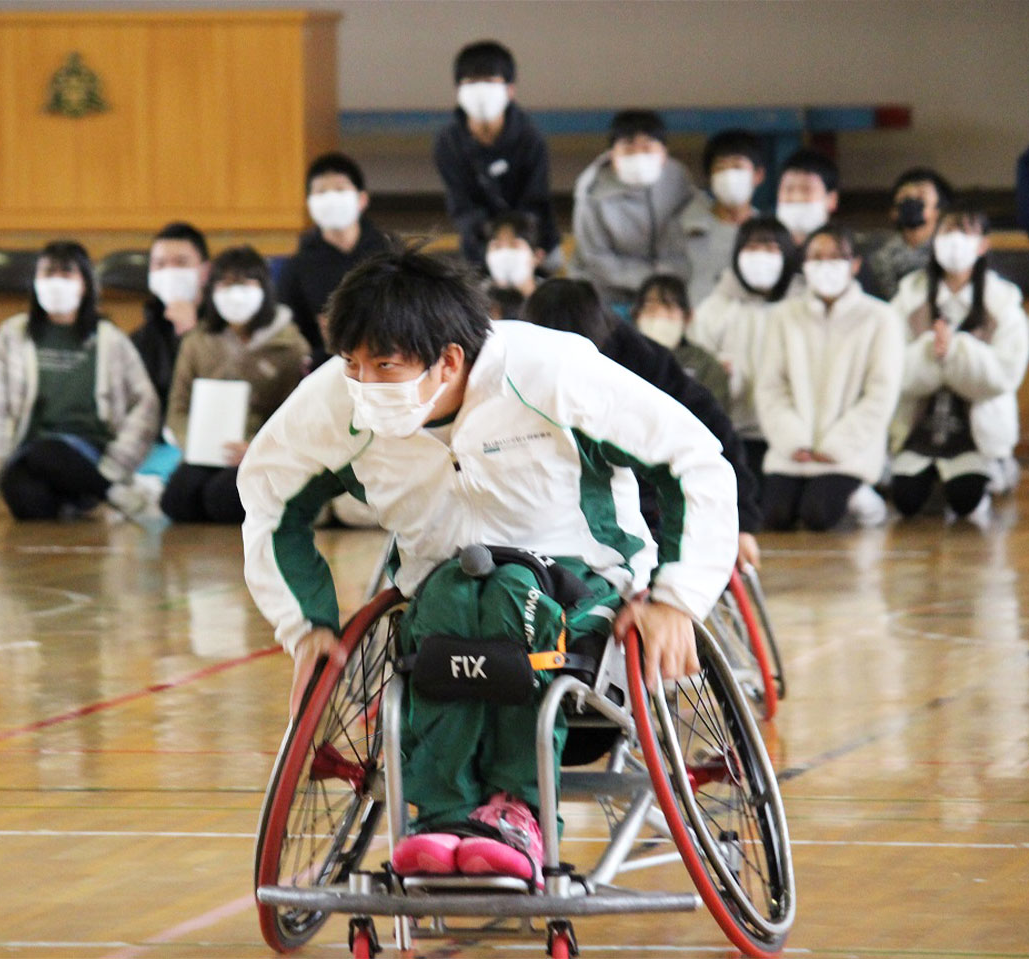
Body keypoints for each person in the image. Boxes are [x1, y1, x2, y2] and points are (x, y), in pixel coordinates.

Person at [238, 246, 737, 888]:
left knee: (506, 595)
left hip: (583, 593)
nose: (361, 383)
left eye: (383, 365)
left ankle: (517, 811)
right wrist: (304, 625)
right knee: (449, 597)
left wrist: (677, 597)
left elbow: (693, 460)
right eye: (350, 364)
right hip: (441, 597)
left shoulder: (550, 371)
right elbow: (268, 494)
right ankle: (444, 818)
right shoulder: (339, 400)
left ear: (448, 360)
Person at [521, 277, 762, 570]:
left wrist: (740, 521)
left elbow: (712, 432)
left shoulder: (645, 361)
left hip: (643, 501)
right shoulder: (519, 365)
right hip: (551, 507)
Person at [0, 241, 159, 522]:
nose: (56, 282)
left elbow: (146, 404)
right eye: (48, 273)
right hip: (28, 452)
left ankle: (110, 492)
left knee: (46, 451)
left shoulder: (110, 339)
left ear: (85, 283)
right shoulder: (13, 335)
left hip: (93, 452)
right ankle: (94, 502)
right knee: (22, 493)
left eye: (66, 273)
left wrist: (117, 464)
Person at [755, 224, 904, 531]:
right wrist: (793, 439)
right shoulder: (783, 316)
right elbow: (770, 387)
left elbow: (881, 393)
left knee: (818, 514)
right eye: (817, 257)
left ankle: (865, 499)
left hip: (849, 451)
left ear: (856, 264)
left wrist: (838, 445)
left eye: (836, 257)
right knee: (774, 517)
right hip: (793, 450)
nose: (826, 265)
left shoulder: (880, 317)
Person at [889, 208, 1029, 521]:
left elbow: (1006, 374)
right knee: (906, 499)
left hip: (976, 428)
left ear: (982, 245)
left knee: (965, 499)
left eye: (964, 233)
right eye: (946, 233)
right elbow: (891, 367)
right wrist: (931, 351)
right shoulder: (910, 292)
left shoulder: (1003, 299)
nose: (954, 242)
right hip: (919, 425)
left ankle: (993, 471)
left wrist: (956, 352)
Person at [161, 246, 309, 524]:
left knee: (223, 498)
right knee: (177, 499)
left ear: (264, 288)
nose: (235, 293)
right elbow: (178, 407)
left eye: (244, 284)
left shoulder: (291, 347)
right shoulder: (196, 342)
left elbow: (294, 417)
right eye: (226, 284)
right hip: (207, 451)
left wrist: (254, 447)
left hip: (259, 453)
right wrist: (192, 443)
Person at [688, 216, 802, 485]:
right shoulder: (714, 309)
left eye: (771, 248)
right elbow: (697, 370)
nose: (760, 257)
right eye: (752, 248)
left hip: (791, 432)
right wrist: (719, 375)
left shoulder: (804, 306)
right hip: (736, 431)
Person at [433, 40, 560, 267]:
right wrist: (492, 244)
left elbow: (536, 198)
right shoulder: (448, 142)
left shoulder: (530, 136)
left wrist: (520, 244)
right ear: (458, 91)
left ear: (510, 90)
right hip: (479, 243)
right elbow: (461, 204)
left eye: (490, 81)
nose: (481, 91)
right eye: (471, 82)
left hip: (532, 239)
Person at [570, 110, 695, 308]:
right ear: (612, 154)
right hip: (605, 293)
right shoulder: (591, 191)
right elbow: (595, 257)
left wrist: (666, 280)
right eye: (628, 149)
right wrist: (649, 280)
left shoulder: (679, 180)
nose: (639, 156)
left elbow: (687, 241)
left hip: (669, 290)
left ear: (663, 153)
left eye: (647, 148)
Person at [277, 152, 390, 365]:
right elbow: (289, 330)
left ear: (362, 199)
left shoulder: (389, 253)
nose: (331, 198)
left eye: (339, 189)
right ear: (309, 203)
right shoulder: (298, 266)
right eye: (321, 192)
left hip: (386, 357)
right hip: (324, 365)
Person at [131, 221, 210, 419]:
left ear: (204, 271)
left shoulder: (224, 328)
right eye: (160, 264)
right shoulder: (142, 337)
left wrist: (193, 336)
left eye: (181, 263)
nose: (169, 272)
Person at [681, 129, 767, 306]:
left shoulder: (769, 232)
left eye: (737, 167)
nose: (729, 176)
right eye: (720, 168)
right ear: (710, 178)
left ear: (758, 176)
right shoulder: (685, 226)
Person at [631, 273, 731, 413]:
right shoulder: (621, 359)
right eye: (651, 310)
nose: (660, 318)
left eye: (670, 310)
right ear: (636, 315)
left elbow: (715, 419)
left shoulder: (705, 366)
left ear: (687, 317)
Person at [866, 167, 954, 301]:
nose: (912, 202)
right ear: (893, 211)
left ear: (940, 210)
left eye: (921, 196)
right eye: (905, 197)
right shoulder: (880, 256)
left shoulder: (952, 252)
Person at [483, 211, 543, 317]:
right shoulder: (476, 300)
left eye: (514, 245)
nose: (505, 253)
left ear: (537, 256)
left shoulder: (551, 299)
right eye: (498, 246)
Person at [774, 148, 839, 246]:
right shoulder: (765, 252)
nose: (796, 198)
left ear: (832, 199)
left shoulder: (846, 252)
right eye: (788, 189)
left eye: (807, 190)